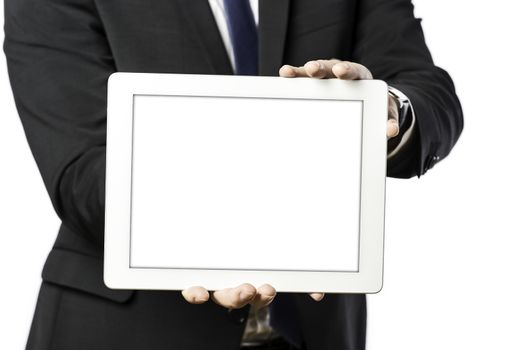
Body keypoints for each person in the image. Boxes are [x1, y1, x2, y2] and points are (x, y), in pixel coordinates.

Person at [3, 0, 463, 349]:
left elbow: (427, 90)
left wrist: (389, 111)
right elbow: (82, 170)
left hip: (314, 329)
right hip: (123, 329)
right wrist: (218, 243)